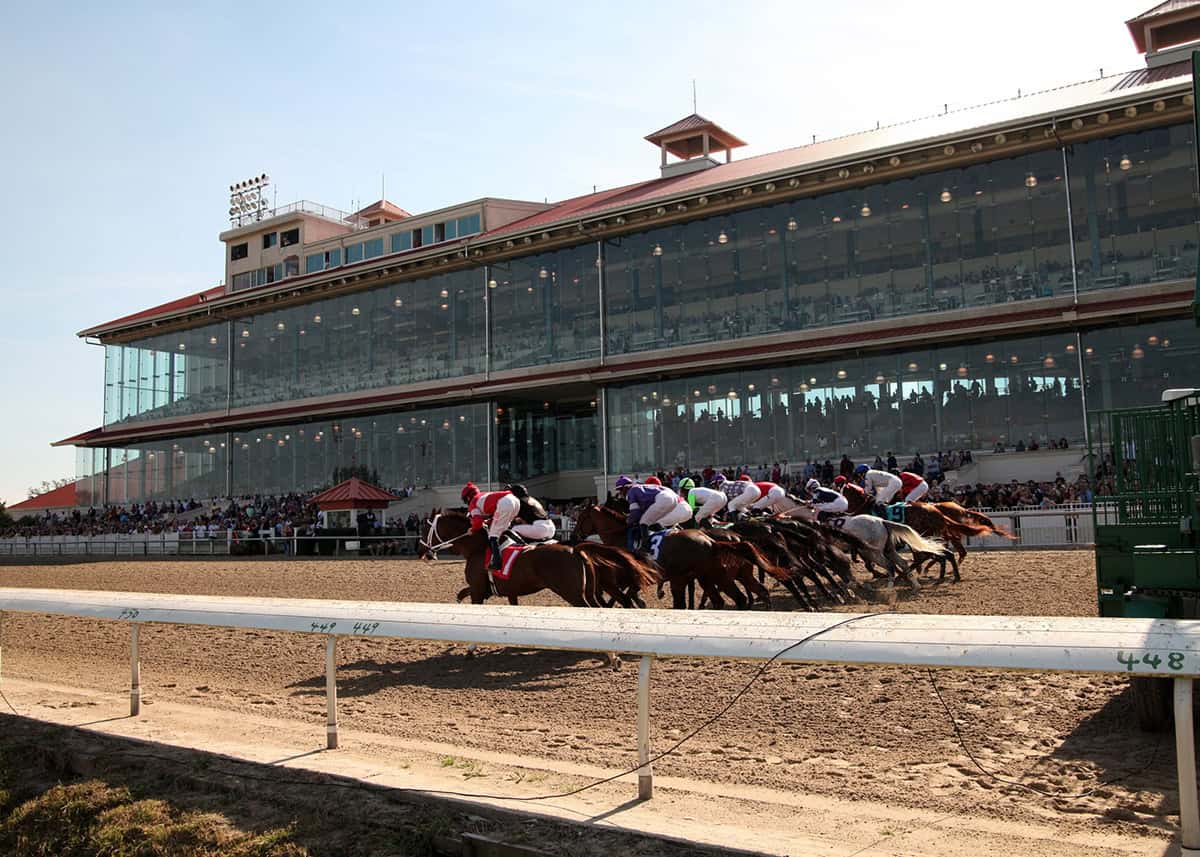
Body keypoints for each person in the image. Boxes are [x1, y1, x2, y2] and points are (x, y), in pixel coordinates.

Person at [615, 475, 690, 551]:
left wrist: (627, 521)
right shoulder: (639, 488)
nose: (620, 493)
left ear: (625, 487)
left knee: (643, 522)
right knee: (654, 521)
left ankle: (645, 548)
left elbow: (636, 513)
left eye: (620, 490)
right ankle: (667, 536)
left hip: (665, 498)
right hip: (673, 498)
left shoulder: (631, 491)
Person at [461, 482, 519, 570]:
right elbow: (492, 516)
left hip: (505, 503)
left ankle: (497, 562)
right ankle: (520, 544)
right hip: (515, 500)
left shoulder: (473, 503)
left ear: (468, 497)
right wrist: (487, 522)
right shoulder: (483, 495)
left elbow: (477, 521)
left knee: (493, 536)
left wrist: (472, 529)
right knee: (504, 529)